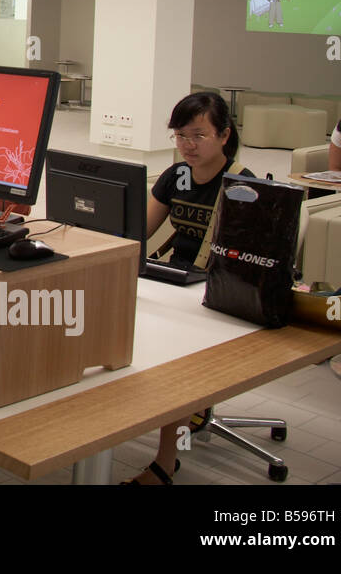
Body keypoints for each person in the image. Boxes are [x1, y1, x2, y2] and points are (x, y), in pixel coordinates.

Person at [124, 91, 254, 485]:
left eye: (198, 136)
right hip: (177, 283)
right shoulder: (175, 177)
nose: (187, 146)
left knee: (175, 367)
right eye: (180, 136)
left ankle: (167, 463)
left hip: (217, 293)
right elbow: (137, 233)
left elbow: (243, 264)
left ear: (224, 136)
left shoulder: (241, 186)